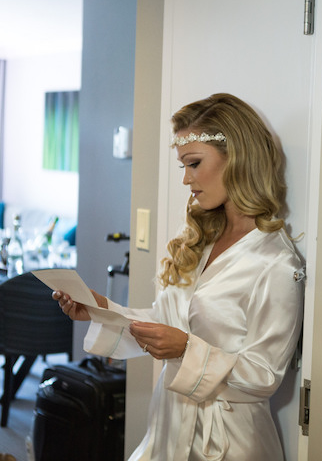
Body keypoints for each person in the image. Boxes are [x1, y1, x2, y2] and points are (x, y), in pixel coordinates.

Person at [54, 93, 304, 460]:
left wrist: (187, 349)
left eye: (194, 163)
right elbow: (166, 323)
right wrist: (98, 308)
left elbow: (265, 375)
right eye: (183, 166)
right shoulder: (202, 241)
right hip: (170, 422)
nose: (187, 179)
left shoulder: (275, 262)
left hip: (229, 442)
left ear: (236, 158)